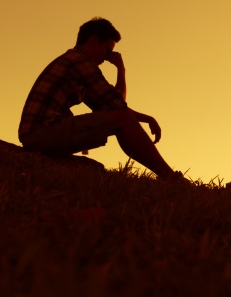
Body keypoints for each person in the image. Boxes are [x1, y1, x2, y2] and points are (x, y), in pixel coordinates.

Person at [18, 17, 178, 179]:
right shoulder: (79, 61)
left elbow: (108, 105)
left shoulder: (74, 62)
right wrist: (121, 69)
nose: (108, 57)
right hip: (42, 133)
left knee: (94, 167)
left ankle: (167, 176)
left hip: (38, 135)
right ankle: (169, 176)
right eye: (107, 50)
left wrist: (146, 118)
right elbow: (118, 106)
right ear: (94, 41)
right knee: (122, 117)